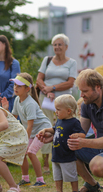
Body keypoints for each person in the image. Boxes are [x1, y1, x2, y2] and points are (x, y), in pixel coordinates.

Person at [36, 33, 77, 172]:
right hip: (47, 98)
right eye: (55, 44)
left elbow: (71, 82)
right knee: (46, 126)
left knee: (64, 128)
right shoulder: (47, 60)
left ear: (66, 46)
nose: (57, 47)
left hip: (64, 100)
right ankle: (46, 163)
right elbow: (39, 79)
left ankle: (66, 157)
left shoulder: (72, 62)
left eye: (60, 44)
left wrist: (52, 87)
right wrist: (46, 90)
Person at [6, 73, 51, 187]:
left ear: (27, 89)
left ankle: (40, 181)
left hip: (43, 130)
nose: (15, 87)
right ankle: (25, 179)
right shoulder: (17, 100)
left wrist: (24, 141)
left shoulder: (30, 104)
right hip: (33, 131)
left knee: (31, 153)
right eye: (15, 85)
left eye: (19, 86)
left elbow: (30, 126)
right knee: (23, 153)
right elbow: (13, 118)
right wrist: (4, 110)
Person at [37, 95, 85, 192]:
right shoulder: (59, 120)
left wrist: (78, 136)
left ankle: (75, 191)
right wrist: (46, 130)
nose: (56, 112)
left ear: (68, 111)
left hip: (67, 155)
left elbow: (82, 134)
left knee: (71, 175)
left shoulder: (74, 122)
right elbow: (55, 129)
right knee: (57, 176)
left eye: (58, 109)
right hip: (56, 154)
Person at [0, 35, 20, 112]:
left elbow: (14, 83)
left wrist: (1, 96)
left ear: (4, 45)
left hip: (7, 102)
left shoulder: (14, 63)